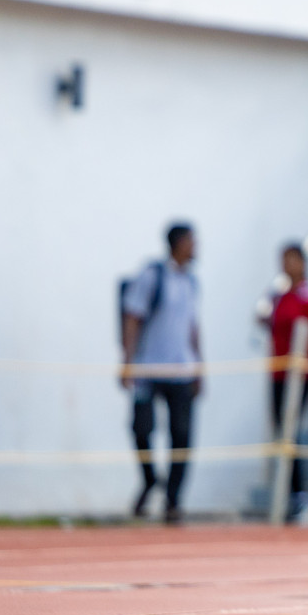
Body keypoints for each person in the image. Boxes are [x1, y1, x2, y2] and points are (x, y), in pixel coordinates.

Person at [121, 223, 202, 524]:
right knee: (141, 429)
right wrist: (127, 362)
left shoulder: (192, 282)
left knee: (182, 436)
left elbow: (193, 327)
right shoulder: (152, 276)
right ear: (179, 243)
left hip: (182, 370)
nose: (196, 247)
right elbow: (133, 317)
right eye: (192, 242)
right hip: (149, 367)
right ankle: (149, 478)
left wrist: (200, 367)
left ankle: (173, 499)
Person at [260, 243, 308, 525]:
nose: (286, 265)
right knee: (282, 435)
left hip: (301, 376)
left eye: (291, 259)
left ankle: (302, 497)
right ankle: (291, 496)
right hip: (278, 374)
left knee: (291, 435)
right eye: (283, 259)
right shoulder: (278, 297)